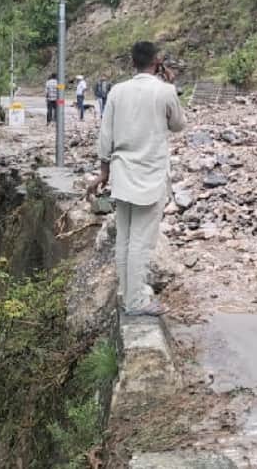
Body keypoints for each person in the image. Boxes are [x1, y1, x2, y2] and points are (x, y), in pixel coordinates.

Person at [90, 42, 185, 316]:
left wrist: (103, 172)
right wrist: (171, 86)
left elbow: (105, 135)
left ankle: (126, 292)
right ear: (157, 61)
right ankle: (136, 302)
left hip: (121, 174)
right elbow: (178, 125)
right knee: (141, 243)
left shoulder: (117, 91)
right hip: (150, 176)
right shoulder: (165, 91)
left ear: (132, 62)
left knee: (125, 238)